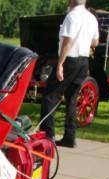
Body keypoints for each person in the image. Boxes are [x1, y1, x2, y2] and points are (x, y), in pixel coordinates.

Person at [39, 0, 98, 149]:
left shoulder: (71, 16)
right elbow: (95, 42)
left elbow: (67, 41)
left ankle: (48, 136)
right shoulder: (91, 17)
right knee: (72, 99)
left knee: (50, 97)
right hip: (83, 60)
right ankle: (70, 137)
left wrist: (60, 64)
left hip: (70, 59)